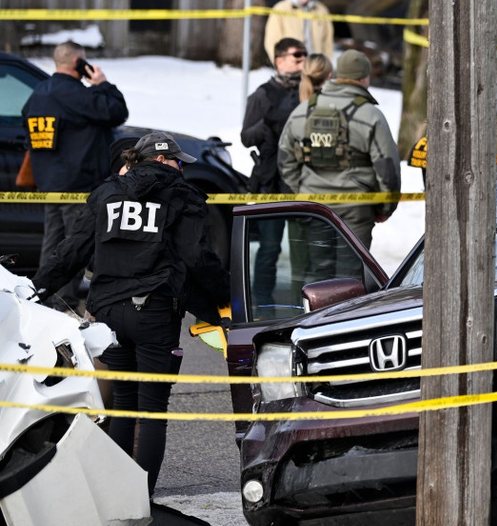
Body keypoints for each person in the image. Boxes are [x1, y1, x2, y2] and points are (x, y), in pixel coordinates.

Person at [33, 132, 229, 495]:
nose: (182, 167)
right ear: (162, 160)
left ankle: (118, 496)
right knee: (151, 409)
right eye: (178, 161)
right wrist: (225, 298)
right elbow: (198, 258)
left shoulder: (106, 192)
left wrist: (37, 288)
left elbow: (72, 251)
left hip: (107, 313)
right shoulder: (181, 195)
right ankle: (142, 501)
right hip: (154, 312)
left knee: (123, 402)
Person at [23, 41, 128, 309]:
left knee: (52, 245)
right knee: (76, 246)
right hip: (78, 185)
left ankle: (43, 299)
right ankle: (63, 304)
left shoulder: (38, 94)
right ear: (77, 63)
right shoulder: (76, 94)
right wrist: (102, 83)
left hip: (49, 185)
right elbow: (117, 111)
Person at [279, 49, 401, 252]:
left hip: (314, 207)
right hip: (356, 209)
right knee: (352, 269)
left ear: (337, 75)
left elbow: (285, 158)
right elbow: (387, 167)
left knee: (319, 269)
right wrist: (385, 207)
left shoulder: (303, 111)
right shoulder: (371, 116)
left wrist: (302, 191)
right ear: (364, 78)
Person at [242, 37, 304, 315]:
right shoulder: (263, 94)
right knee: (269, 248)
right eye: (296, 56)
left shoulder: (308, 92)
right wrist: (267, 123)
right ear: (279, 60)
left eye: (305, 56)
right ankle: (263, 304)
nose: (302, 61)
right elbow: (246, 137)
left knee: (304, 251)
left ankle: (304, 303)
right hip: (270, 180)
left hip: (300, 180)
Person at [264, 0, 334, 60]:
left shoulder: (322, 11)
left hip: (316, 65)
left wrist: (325, 63)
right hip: (290, 65)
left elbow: (328, 42)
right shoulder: (280, 9)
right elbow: (271, 41)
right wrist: (281, 63)